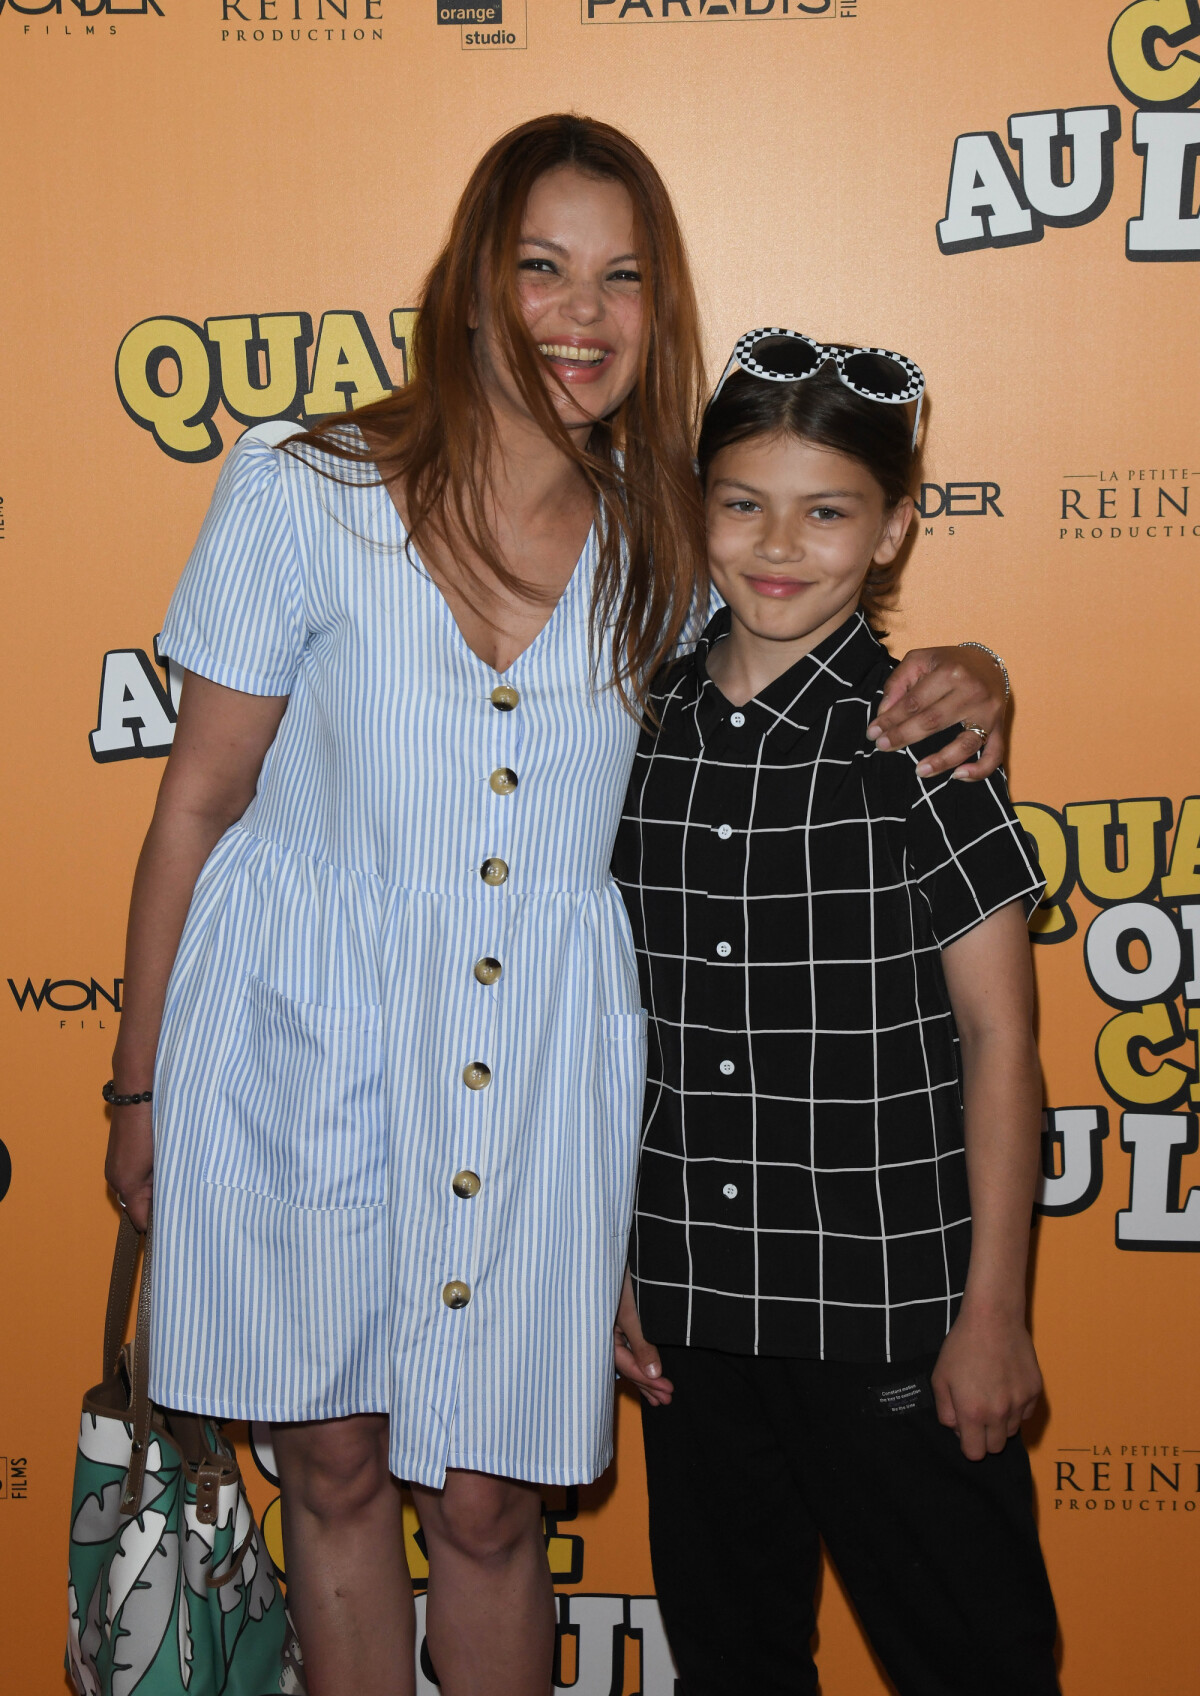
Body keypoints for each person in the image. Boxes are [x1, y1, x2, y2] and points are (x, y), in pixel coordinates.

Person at [102, 119, 1013, 1696]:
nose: (579, 314)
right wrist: (137, 1080)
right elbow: (196, 800)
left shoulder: (666, 539)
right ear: (472, 283)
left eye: (622, 279)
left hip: (535, 1077)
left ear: (659, 316)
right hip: (295, 1045)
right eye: (542, 267)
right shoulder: (299, 487)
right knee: (326, 1469)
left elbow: (814, 620)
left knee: (487, 1497)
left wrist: (980, 674)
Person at [612, 333, 1059, 1695]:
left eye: (827, 511)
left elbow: (1002, 1044)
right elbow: (611, 1028)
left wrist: (995, 1314)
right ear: (697, 508)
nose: (777, 546)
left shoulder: (927, 739)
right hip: (696, 1316)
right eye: (743, 503)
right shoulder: (635, 727)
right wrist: (613, 1257)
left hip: (893, 1320)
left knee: (975, 1660)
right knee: (734, 1665)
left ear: (895, 528)